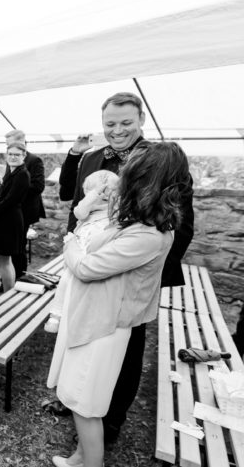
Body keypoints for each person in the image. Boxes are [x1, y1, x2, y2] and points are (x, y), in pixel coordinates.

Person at [58, 92, 195, 443]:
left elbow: (181, 227)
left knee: (126, 349)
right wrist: (77, 244)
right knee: (82, 337)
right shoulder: (90, 158)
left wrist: (144, 272)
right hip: (94, 261)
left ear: (141, 120)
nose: (117, 131)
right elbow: (78, 205)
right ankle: (77, 400)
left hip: (131, 278)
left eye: (125, 123)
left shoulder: (161, 161)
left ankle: (111, 420)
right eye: (110, 124)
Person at [45, 169, 119, 335]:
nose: (105, 196)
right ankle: (56, 314)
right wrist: (94, 194)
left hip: (95, 254)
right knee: (65, 280)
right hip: (78, 251)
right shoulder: (86, 212)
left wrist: (109, 194)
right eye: (90, 192)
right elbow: (79, 210)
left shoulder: (113, 211)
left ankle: (79, 317)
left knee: (85, 287)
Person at [0, 142, 30, 294]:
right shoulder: (12, 172)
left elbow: (10, 200)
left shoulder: (22, 174)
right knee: (5, 260)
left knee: (5, 261)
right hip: (5, 219)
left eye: (17, 154)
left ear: (23, 156)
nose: (13, 157)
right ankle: (8, 293)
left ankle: (7, 295)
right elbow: (5, 196)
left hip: (9, 221)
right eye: (10, 154)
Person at [4, 130, 45, 278]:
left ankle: (19, 279)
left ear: (21, 143)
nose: (9, 149)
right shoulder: (10, 159)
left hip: (25, 211)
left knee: (18, 248)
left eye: (10, 144)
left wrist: (17, 188)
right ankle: (8, 281)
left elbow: (39, 186)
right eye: (7, 146)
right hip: (11, 210)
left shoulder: (35, 160)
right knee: (10, 248)